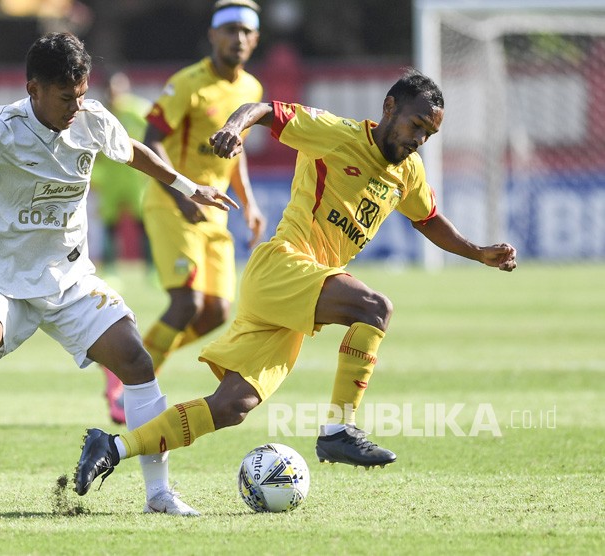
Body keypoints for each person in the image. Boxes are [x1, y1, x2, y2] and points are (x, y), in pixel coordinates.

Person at [74, 68, 518, 507]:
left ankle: (111, 448)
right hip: (283, 266)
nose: (419, 139)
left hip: (300, 292)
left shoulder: (409, 172)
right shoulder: (335, 132)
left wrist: (476, 251)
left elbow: (428, 219)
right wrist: (233, 128)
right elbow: (261, 110)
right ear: (389, 108)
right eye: (415, 125)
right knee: (374, 308)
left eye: (428, 134)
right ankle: (339, 430)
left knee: (233, 405)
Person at [0, 32, 237, 518]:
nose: (75, 107)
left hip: (71, 279)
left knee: (137, 363)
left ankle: (159, 494)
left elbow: (132, 151)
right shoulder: (3, 125)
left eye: (81, 95)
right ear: (33, 89)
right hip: (4, 280)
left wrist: (189, 188)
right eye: (66, 98)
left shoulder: (91, 118)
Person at [102, 0, 266, 426]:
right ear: (212, 36)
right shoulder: (187, 84)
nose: (238, 39)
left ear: (256, 39)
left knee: (216, 311)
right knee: (187, 301)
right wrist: (182, 195)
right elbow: (151, 139)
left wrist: (248, 202)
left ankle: (130, 361)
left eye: (246, 32)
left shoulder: (251, 90)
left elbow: (237, 153)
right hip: (171, 202)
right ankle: (133, 384)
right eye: (229, 30)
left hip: (216, 209)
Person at [89, 71, 155, 424]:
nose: (114, 94)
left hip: (135, 177)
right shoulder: (98, 113)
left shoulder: (139, 112)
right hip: (113, 179)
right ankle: (112, 268)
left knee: (145, 228)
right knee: (112, 229)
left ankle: (152, 270)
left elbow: (153, 139)